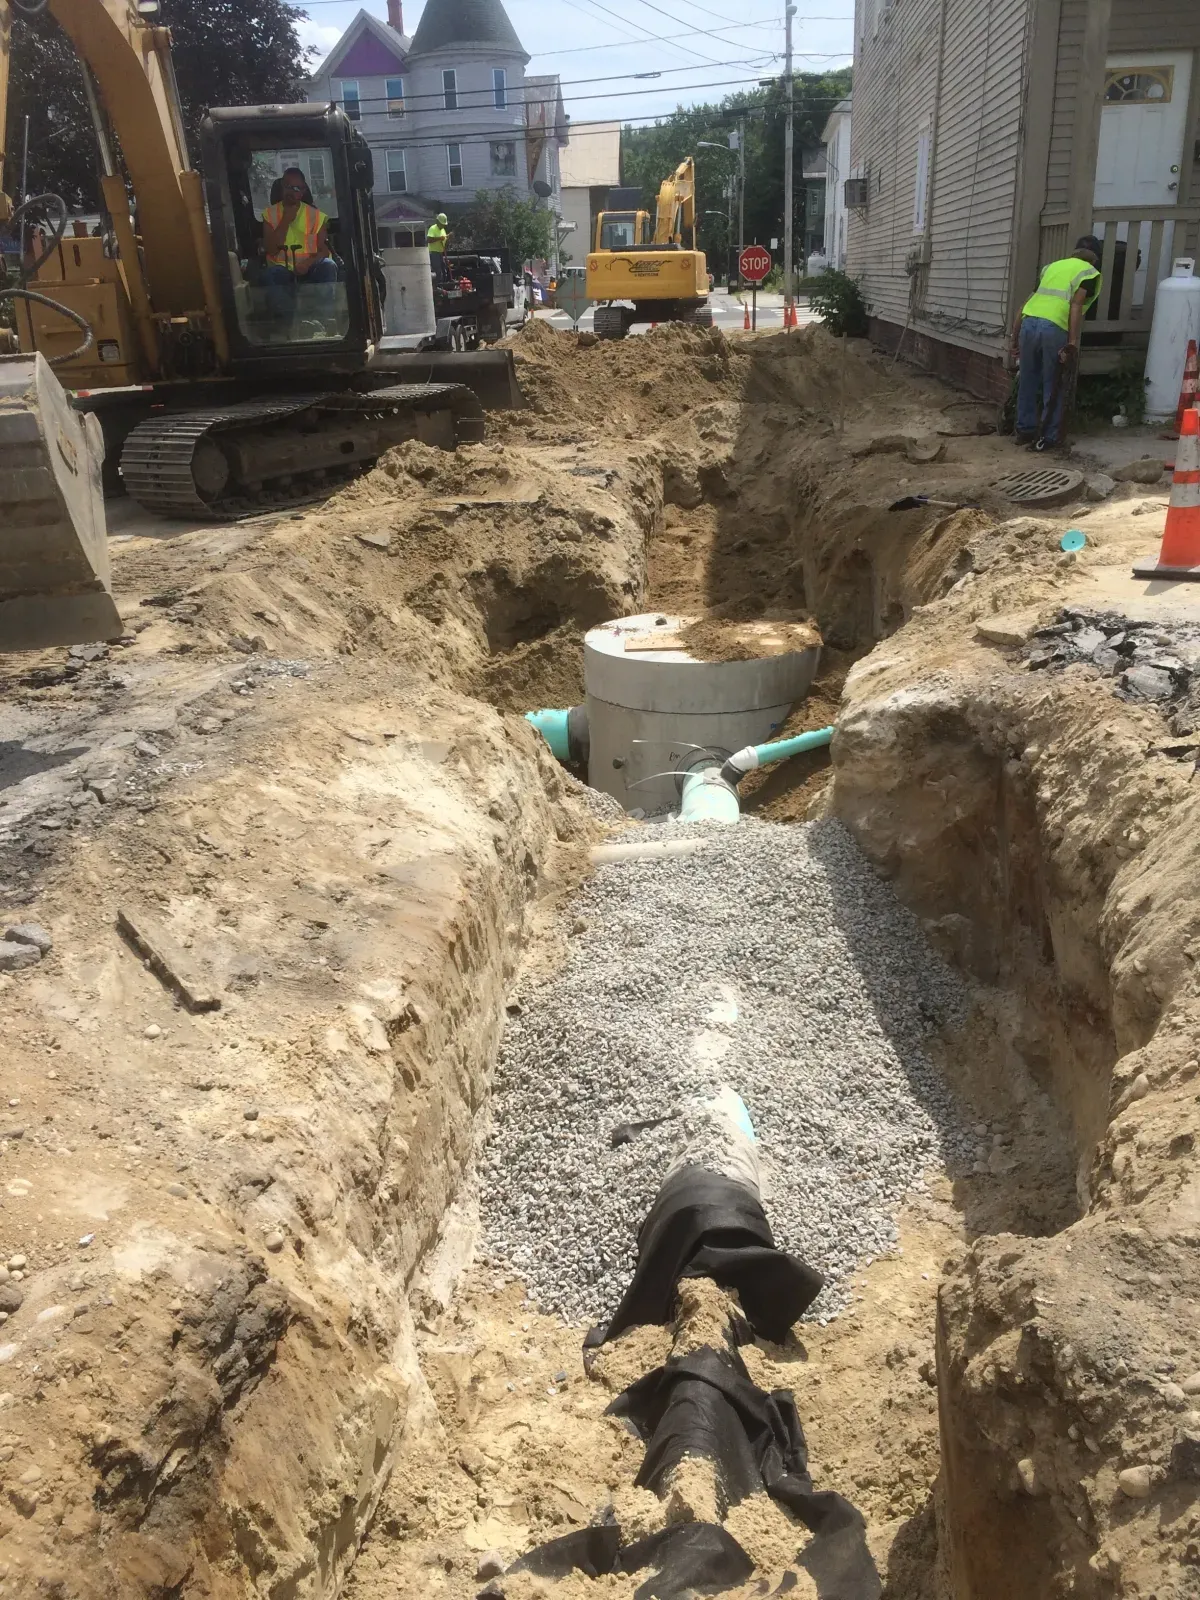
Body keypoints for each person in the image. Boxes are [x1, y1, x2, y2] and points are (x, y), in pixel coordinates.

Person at [1010, 235, 1103, 447]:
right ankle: (1049, 437)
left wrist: (1014, 338)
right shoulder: (1089, 273)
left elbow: (1027, 302)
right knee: (1054, 383)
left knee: (1027, 379)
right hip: (1053, 328)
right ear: (1095, 258)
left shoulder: (1051, 268)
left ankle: (1025, 430)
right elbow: (1076, 306)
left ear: (1074, 251)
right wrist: (1072, 340)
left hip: (1029, 323)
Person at [261, 168, 337, 326]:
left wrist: (307, 264)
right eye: (288, 186)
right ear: (281, 186)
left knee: (329, 266)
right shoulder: (270, 215)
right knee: (271, 275)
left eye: (297, 188)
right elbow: (271, 249)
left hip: (310, 268)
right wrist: (285, 220)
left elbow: (323, 250)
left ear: (303, 191)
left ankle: (324, 322)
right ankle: (290, 324)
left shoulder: (316, 216)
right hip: (281, 269)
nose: (291, 192)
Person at [427, 212, 449, 283]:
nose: (443, 226)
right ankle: (438, 287)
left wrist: (448, 239)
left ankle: (444, 285)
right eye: (441, 224)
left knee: (444, 270)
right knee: (438, 271)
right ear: (437, 222)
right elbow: (429, 240)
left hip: (440, 253)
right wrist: (439, 238)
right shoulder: (432, 228)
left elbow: (444, 243)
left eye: (443, 224)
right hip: (434, 253)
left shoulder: (443, 230)